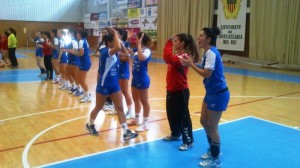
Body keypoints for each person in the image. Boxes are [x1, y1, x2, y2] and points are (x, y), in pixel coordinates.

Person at [179, 27, 230, 167]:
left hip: (219, 94)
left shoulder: (212, 53)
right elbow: (205, 69)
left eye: (201, 35)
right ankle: (213, 149)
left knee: (212, 127)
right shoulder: (208, 53)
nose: (198, 37)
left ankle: (215, 159)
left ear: (208, 39)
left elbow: (207, 74)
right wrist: (191, 63)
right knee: (203, 121)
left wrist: (190, 64)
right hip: (211, 93)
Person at [85, 27, 138, 140]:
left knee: (120, 108)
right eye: (115, 40)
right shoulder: (105, 52)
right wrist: (114, 33)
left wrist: (119, 39)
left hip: (114, 86)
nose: (117, 42)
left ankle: (125, 132)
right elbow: (119, 47)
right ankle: (90, 124)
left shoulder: (115, 53)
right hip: (104, 85)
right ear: (109, 43)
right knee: (98, 107)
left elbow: (127, 55)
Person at [163, 33, 199, 151]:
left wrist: (168, 42)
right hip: (171, 90)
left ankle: (188, 141)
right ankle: (175, 134)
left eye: (176, 41)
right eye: (174, 41)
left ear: (182, 43)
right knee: (172, 114)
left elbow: (167, 57)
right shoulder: (177, 55)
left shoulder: (184, 56)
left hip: (181, 91)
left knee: (183, 117)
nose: (174, 43)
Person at [130, 32, 152, 132]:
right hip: (135, 78)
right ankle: (137, 119)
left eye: (137, 38)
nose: (135, 40)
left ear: (140, 40)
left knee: (144, 101)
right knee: (136, 100)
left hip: (142, 78)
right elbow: (128, 52)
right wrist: (122, 42)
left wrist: (139, 45)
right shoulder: (136, 50)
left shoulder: (147, 50)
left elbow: (141, 58)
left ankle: (145, 124)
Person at [115, 29, 134, 118]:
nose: (116, 35)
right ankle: (118, 109)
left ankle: (131, 112)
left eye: (117, 33)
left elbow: (126, 58)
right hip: (117, 70)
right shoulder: (116, 45)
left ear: (121, 35)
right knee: (117, 91)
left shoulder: (126, 44)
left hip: (123, 70)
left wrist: (118, 56)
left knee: (125, 91)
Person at [73, 29, 92, 103]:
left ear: (80, 34)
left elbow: (81, 53)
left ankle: (88, 96)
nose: (76, 34)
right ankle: (85, 93)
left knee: (82, 80)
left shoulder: (81, 41)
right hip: (83, 61)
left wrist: (73, 52)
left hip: (85, 62)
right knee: (78, 78)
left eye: (77, 33)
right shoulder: (84, 40)